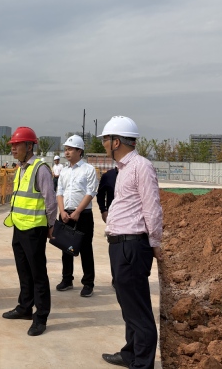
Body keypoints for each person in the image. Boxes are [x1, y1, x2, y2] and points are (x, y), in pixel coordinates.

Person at [99, 116, 163, 369]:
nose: (104, 144)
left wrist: (155, 242)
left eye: (106, 139)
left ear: (116, 142)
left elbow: (152, 208)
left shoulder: (141, 166)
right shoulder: (123, 169)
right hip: (120, 245)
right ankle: (130, 354)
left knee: (138, 312)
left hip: (132, 246)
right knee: (129, 307)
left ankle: (142, 364)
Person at [2, 127, 57, 336]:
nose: (13, 148)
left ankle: (40, 317)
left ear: (29, 146)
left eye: (17, 145)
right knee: (23, 271)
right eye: (12, 145)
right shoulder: (20, 169)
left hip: (34, 229)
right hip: (19, 227)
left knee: (38, 274)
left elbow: (50, 201)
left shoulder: (40, 169)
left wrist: (50, 225)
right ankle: (24, 307)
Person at [55, 135, 98, 297]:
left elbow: (91, 192)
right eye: (65, 149)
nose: (66, 152)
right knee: (66, 248)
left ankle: (88, 283)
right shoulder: (64, 171)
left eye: (70, 149)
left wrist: (78, 211)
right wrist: (62, 211)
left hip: (83, 215)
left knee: (86, 249)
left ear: (79, 151)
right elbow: (59, 192)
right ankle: (67, 279)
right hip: (66, 213)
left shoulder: (88, 169)